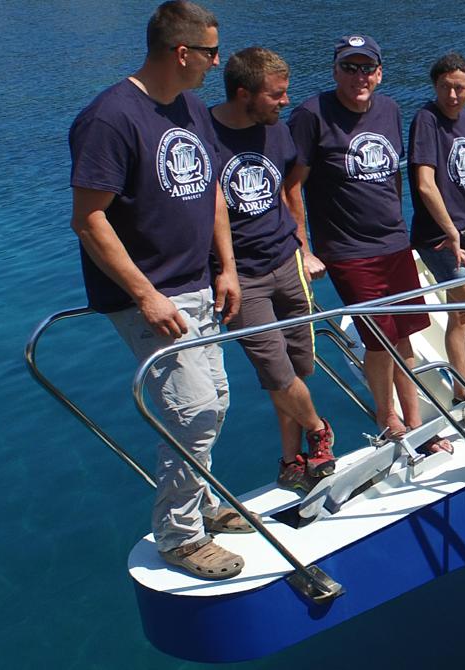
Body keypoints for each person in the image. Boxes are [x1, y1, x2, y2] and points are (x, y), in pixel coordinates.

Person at [68, 0, 248, 580]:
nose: (217, 64)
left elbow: (213, 190)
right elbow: (90, 219)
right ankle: (179, 537)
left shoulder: (190, 107)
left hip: (199, 284)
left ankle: (202, 503)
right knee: (191, 412)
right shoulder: (110, 118)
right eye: (211, 53)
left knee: (214, 402)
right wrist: (146, 295)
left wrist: (227, 266)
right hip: (153, 297)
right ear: (182, 52)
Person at [287, 35, 450, 454]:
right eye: (349, 67)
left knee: (404, 336)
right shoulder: (311, 115)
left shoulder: (390, 109)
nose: (359, 76)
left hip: (393, 241)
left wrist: (399, 223)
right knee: (378, 338)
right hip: (347, 250)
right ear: (335, 70)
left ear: (379, 73)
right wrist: (303, 249)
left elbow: (392, 175)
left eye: (366, 68)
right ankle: (387, 417)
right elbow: (292, 186)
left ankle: (416, 420)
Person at [208, 47, 337, 491]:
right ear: (243, 93)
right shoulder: (203, 136)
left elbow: (287, 190)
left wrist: (302, 247)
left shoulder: (277, 132)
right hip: (243, 279)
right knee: (276, 372)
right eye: (276, 95)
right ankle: (320, 430)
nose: (285, 103)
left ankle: (290, 461)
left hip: (288, 263)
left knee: (297, 370)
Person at [409, 52, 465, 406]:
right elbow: (425, 184)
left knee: (460, 317)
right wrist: (450, 233)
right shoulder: (426, 120)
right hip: (442, 240)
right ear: (435, 86)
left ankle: (462, 392)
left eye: (459, 88)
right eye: (445, 87)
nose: (452, 95)